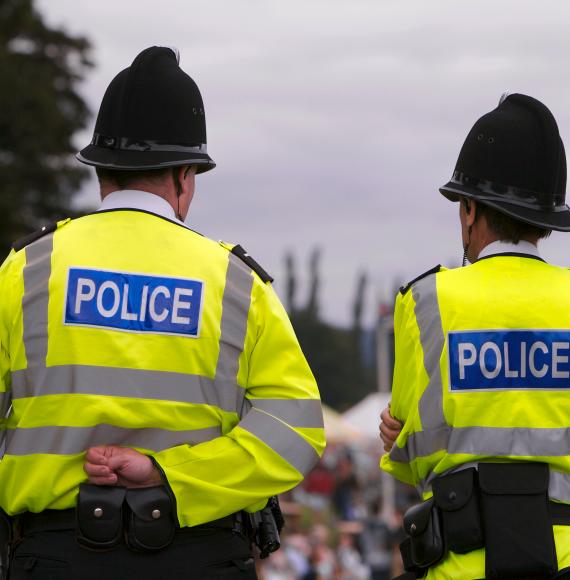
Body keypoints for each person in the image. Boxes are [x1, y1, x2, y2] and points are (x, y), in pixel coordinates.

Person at [0, 46, 325, 579]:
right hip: (200, 557)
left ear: (100, 168)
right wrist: (168, 475)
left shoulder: (29, 267)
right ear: (185, 175)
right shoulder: (237, 283)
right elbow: (297, 432)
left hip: (52, 557)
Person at [378, 93, 570, 579]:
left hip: (461, 564)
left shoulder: (423, 301)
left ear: (468, 210)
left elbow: (407, 456)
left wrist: (397, 439)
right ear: (544, 223)